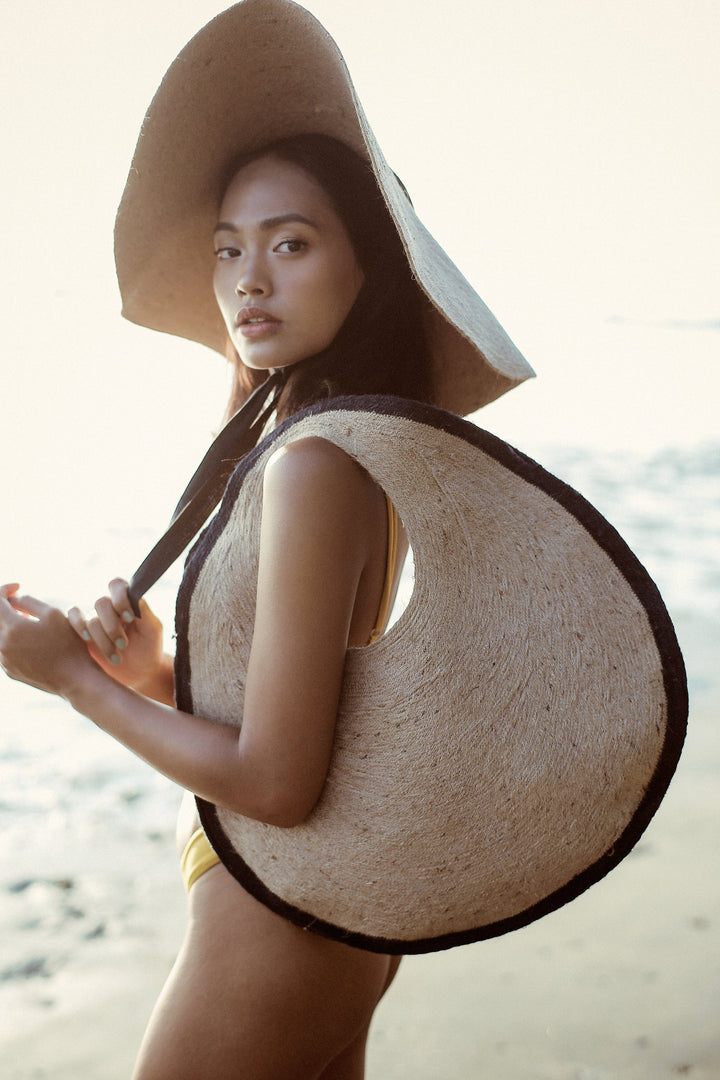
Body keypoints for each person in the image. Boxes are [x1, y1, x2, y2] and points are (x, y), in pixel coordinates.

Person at [0, 2, 533, 1077]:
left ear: (366, 267)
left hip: (279, 906)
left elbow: (279, 780)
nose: (250, 279)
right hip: (317, 903)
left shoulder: (313, 461)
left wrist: (75, 685)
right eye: (229, 248)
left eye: (290, 244)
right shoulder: (335, 442)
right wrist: (152, 669)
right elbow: (293, 716)